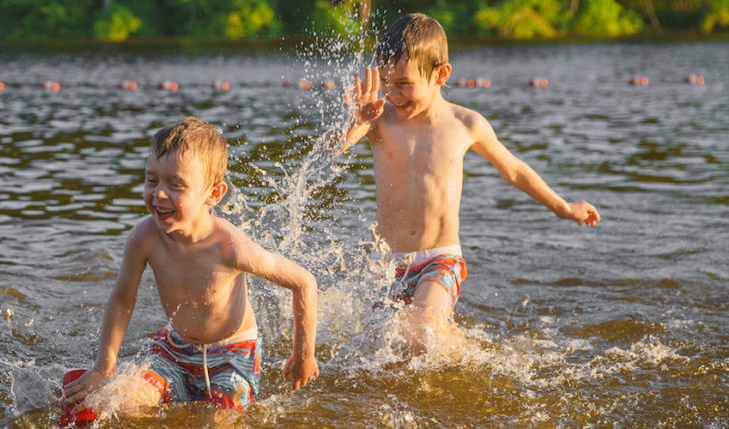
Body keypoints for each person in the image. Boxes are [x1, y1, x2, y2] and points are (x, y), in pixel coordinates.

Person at [331, 13, 600, 353]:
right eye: (386, 82)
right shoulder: (379, 119)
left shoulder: (464, 124)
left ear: (440, 74)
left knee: (421, 337)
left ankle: (460, 356)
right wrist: (354, 119)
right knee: (377, 347)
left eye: (403, 83)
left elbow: (513, 169)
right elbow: (331, 148)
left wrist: (563, 207)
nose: (393, 94)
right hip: (387, 263)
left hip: (439, 258)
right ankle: (462, 347)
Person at [60, 117, 319, 422]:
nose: (158, 194)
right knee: (120, 404)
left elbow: (304, 282)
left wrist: (304, 355)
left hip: (233, 356)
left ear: (213, 194)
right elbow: (122, 299)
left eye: (176, 185)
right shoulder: (144, 238)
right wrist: (104, 368)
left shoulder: (229, 247)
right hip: (175, 348)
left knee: (219, 422)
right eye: (151, 180)